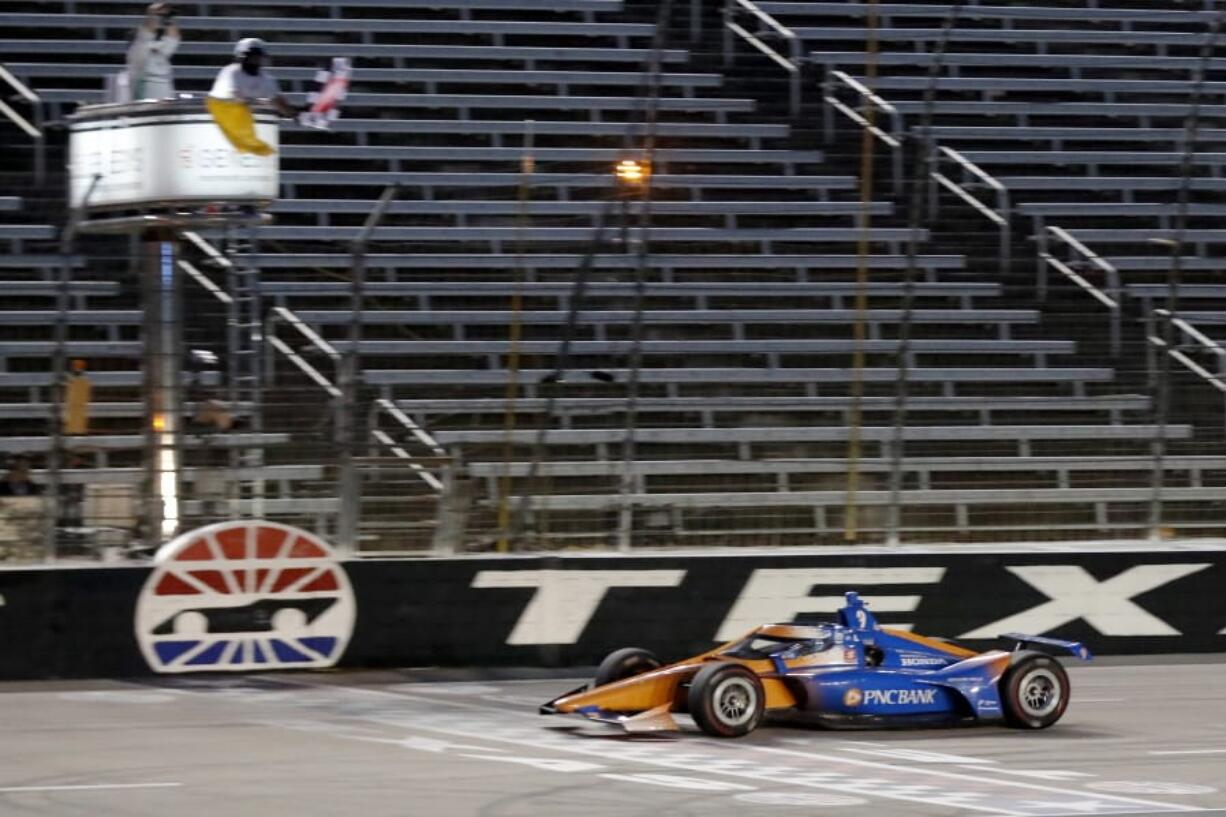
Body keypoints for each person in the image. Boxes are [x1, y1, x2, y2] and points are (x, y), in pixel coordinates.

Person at [207, 38, 300, 155]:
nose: (255, 60)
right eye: (251, 56)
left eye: (258, 57)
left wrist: (294, 113)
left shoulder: (267, 80)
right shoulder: (230, 73)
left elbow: (279, 103)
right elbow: (232, 98)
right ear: (241, 57)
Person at [126, 3, 180, 100]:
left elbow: (173, 39)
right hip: (147, 90)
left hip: (165, 87)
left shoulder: (156, 48)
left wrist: (168, 18)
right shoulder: (135, 51)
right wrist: (152, 14)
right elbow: (146, 33)